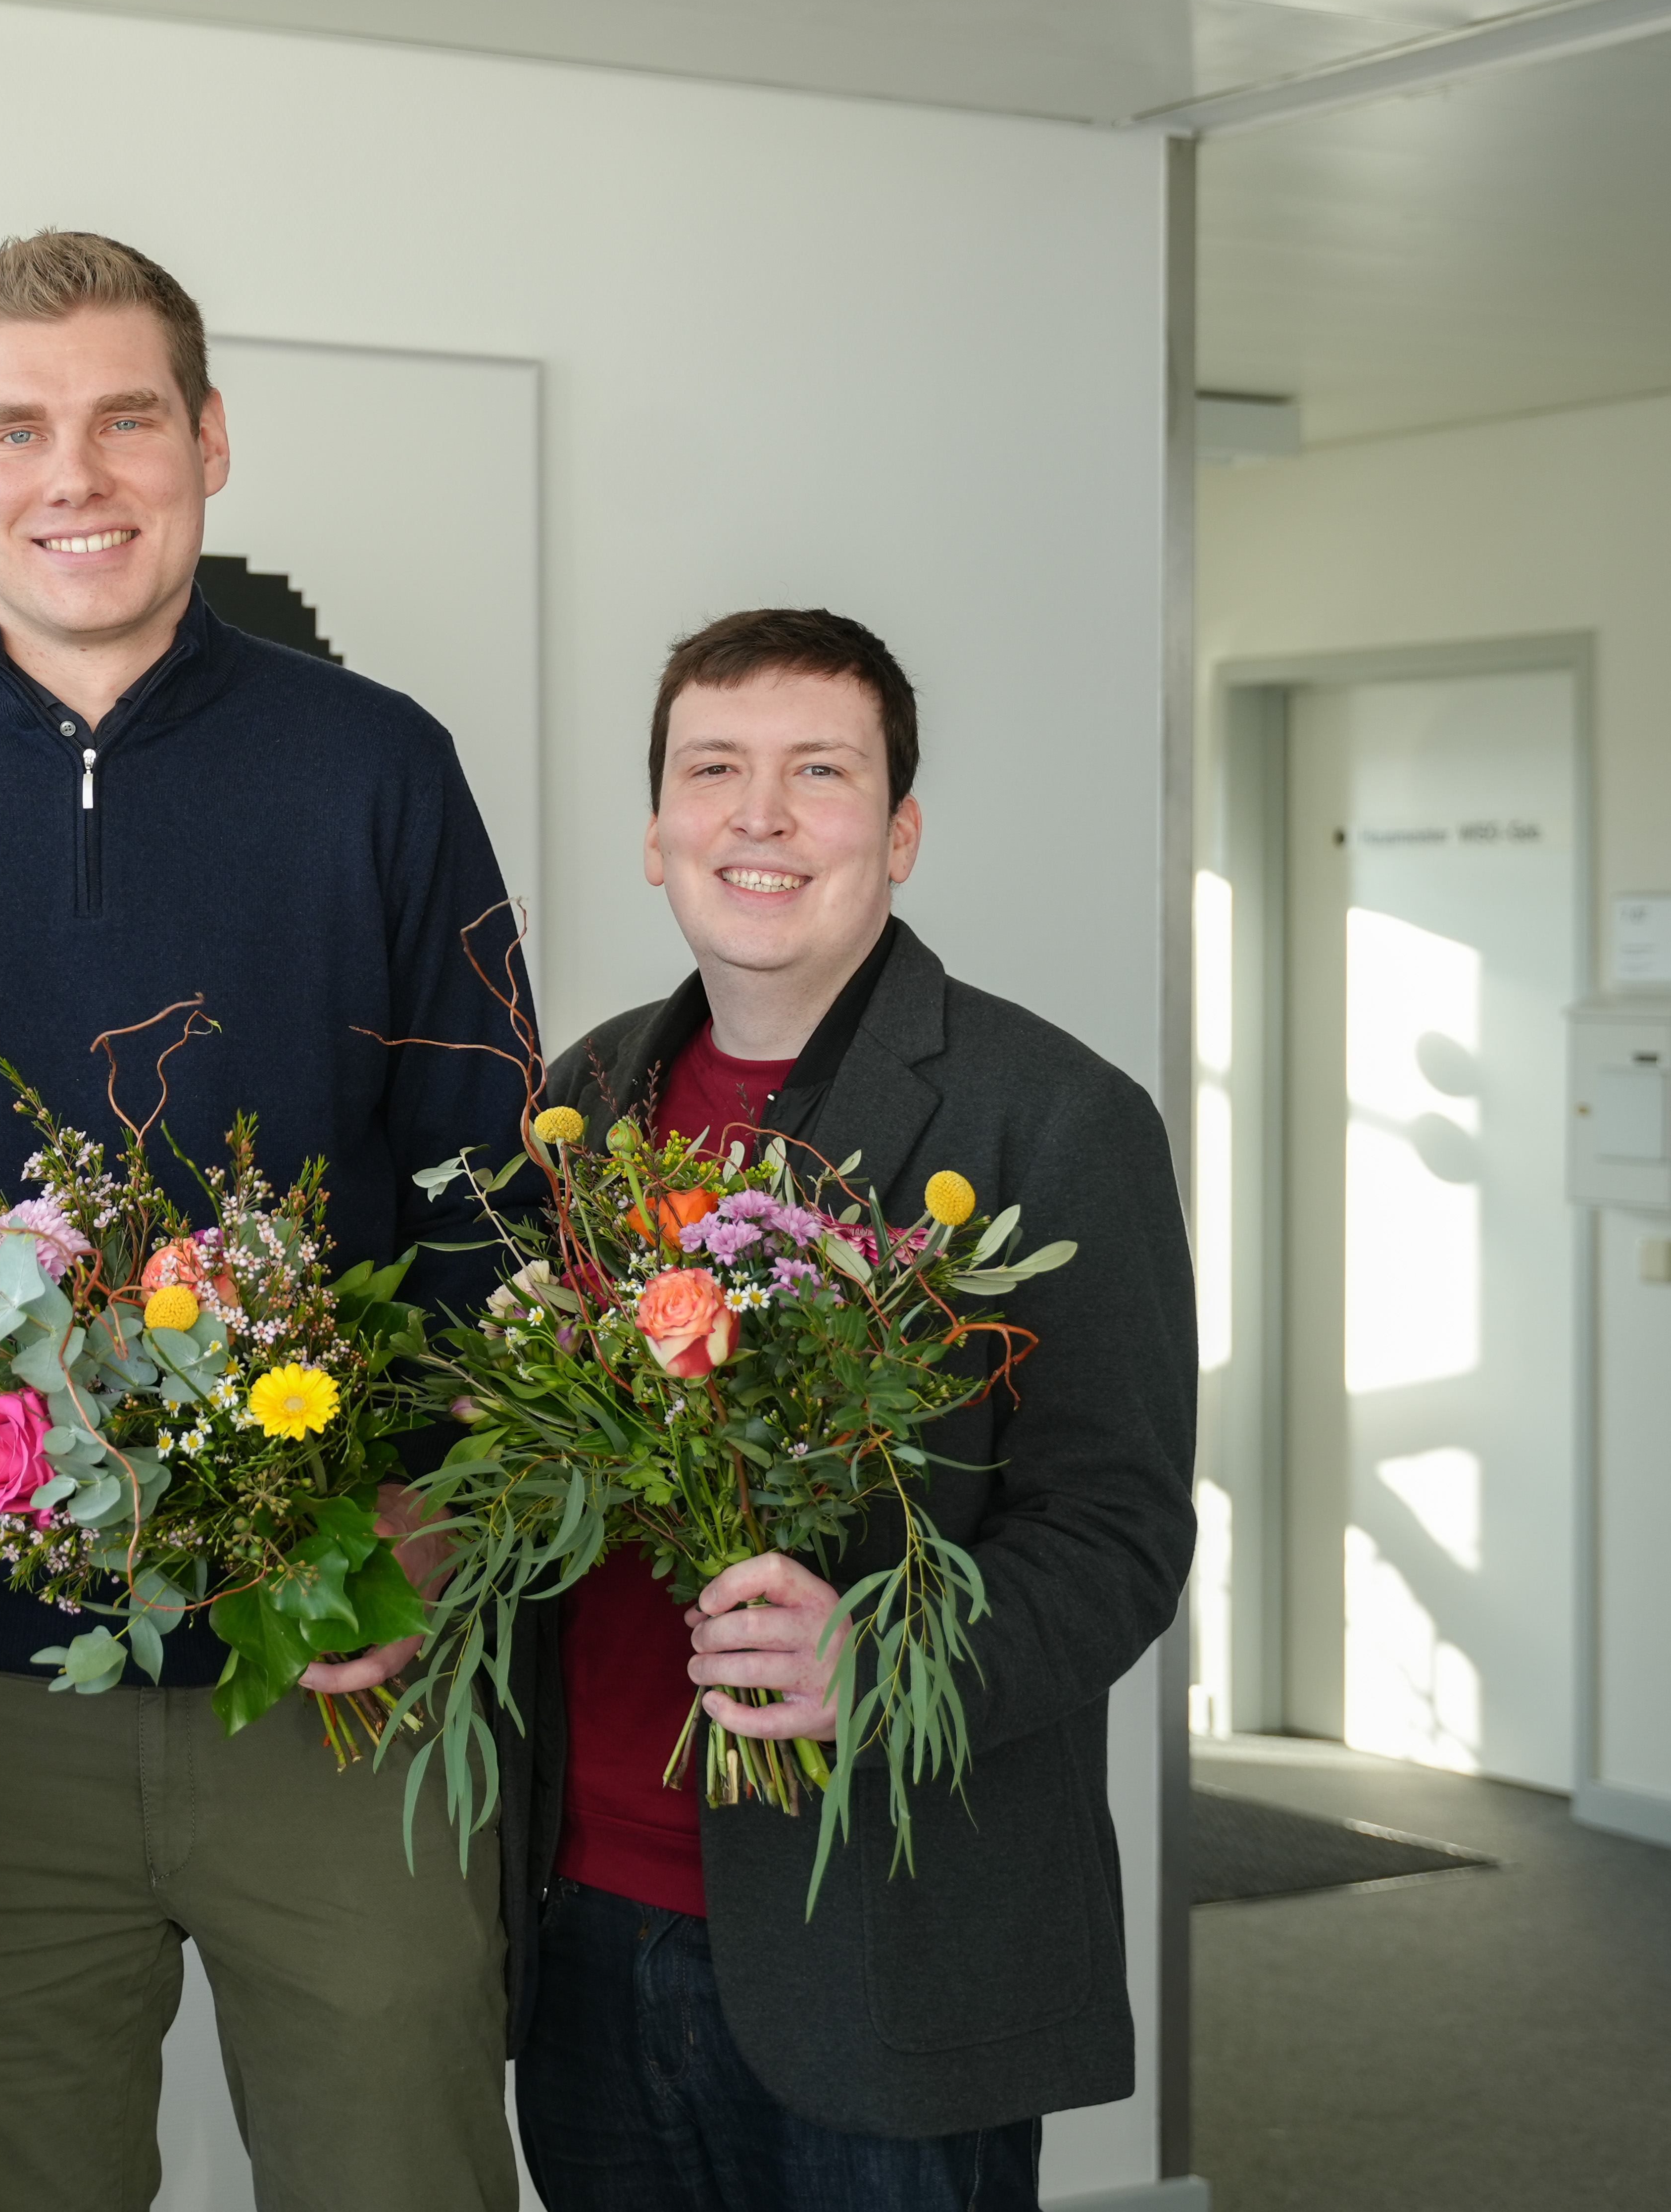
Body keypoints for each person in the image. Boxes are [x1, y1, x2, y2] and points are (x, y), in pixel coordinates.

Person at [0, 231, 530, 2212]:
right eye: (19, 427)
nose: (76, 473)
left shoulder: (379, 770)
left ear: (211, 441)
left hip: (336, 1671)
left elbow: (487, 1190)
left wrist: (429, 1513)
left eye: (126, 417)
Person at [512, 609, 1197, 2212]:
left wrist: (875, 1659)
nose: (757, 815)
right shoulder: (577, 1100)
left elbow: (1118, 1539)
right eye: (712, 771)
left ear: (894, 833)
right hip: (582, 1927)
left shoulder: (1054, 1119)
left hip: (886, 1947)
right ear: (654, 832)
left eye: (816, 771)